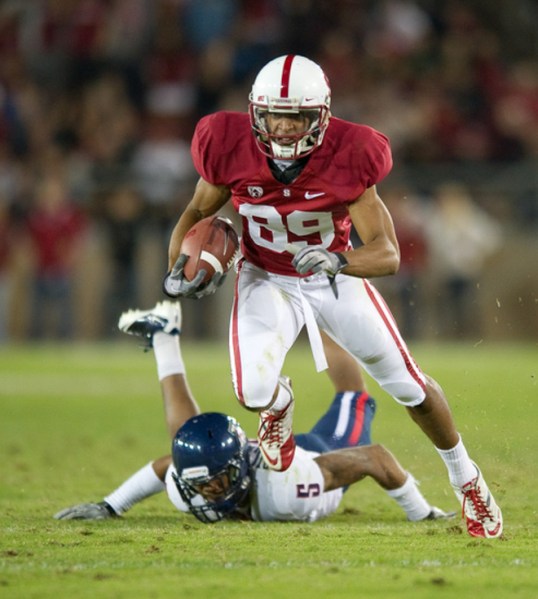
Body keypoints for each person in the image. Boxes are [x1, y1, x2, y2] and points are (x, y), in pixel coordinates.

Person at [161, 55, 502, 538]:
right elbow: (197, 208)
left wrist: (340, 260)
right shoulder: (225, 143)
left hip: (333, 280)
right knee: (253, 391)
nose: (281, 127)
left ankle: (467, 479)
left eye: (295, 117)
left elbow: (387, 253)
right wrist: (178, 264)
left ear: (319, 117)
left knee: (408, 384)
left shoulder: (351, 152)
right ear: (255, 112)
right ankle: (278, 405)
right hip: (265, 277)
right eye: (273, 115)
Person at [54, 301, 453, 524]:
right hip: (267, 457)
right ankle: (164, 336)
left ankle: (326, 310)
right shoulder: (188, 485)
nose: (210, 491)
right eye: (204, 483)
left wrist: (424, 514)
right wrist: (111, 506)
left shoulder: (288, 492)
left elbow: (376, 458)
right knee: (186, 437)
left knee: (353, 395)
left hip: (311, 456)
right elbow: (167, 466)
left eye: (218, 480)